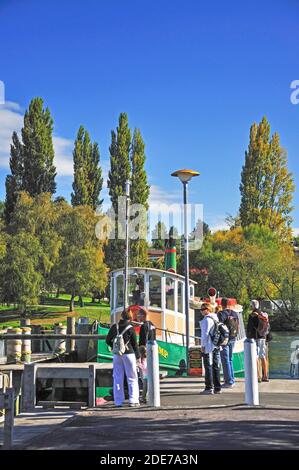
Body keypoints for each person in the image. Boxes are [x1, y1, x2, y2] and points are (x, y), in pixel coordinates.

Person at [106, 309, 140, 407]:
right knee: (132, 377)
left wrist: (114, 346)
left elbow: (107, 340)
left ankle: (118, 401)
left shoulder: (114, 327)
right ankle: (133, 400)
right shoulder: (130, 328)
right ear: (130, 317)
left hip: (117, 354)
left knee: (117, 377)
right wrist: (138, 357)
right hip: (129, 354)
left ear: (121, 316)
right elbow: (134, 344)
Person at [200, 303, 222, 395]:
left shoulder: (206, 320)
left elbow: (204, 334)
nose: (201, 311)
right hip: (216, 345)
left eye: (202, 309)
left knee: (208, 366)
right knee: (216, 366)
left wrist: (203, 346)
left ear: (207, 310)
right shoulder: (215, 317)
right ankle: (217, 387)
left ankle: (209, 387)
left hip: (209, 346)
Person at [217, 297, 239, 388]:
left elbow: (219, 327)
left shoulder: (221, 314)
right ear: (228, 304)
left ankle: (228, 381)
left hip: (225, 340)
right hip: (233, 338)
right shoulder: (234, 313)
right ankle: (232, 379)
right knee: (230, 359)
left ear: (221, 304)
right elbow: (237, 325)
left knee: (225, 360)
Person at [246, 299, 270, 382]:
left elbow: (249, 328)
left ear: (252, 306)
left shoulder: (252, 315)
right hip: (263, 337)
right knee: (263, 356)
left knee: (255, 357)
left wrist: (248, 337)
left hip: (255, 338)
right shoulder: (264, 314)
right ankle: (265, 376)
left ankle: (257, 376)